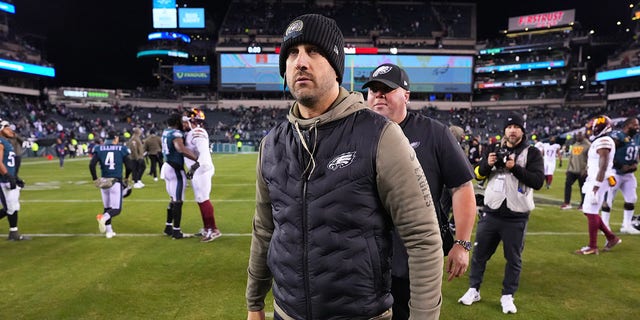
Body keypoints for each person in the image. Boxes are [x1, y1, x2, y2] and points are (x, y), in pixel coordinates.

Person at [246, 14, 443, 320]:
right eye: (292, 54)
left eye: (314, 51)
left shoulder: (381, 135)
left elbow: (423, 238)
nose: (300, 62)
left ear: (336, 65)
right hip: (285, 314)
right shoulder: (271, 145)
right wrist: (254, 302)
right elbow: (264, 231)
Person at [362, 63, 476, 320]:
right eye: (373, 90)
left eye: (387, 89)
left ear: (406, 95)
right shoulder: (357, 134)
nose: (378, 95)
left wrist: (462, 243)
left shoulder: (434, 133)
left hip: (415, 261)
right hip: (365, 261)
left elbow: (462, 186)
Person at [458, 112, 544, 314]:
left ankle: (507, 296)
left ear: (522, 130)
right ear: (504, 130)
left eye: (516, 126)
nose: (512, 130)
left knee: (513, 259)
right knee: (479, 255)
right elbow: (477, 174)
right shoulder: (494, 149)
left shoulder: (532, 153)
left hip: (516, 215)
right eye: (509, 126)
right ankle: (473, 289)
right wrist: (488, 164)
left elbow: (538, 182)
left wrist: (515, 169)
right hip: (492, 212)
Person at [575, 115, 622, 255]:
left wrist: (596, 185)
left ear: (600, 127)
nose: (590, 131)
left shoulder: (604, 140)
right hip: (596, 179)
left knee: (591, 211)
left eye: (592, 128)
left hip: (599, 180)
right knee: (588, 210)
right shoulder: (601, 140)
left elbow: (603, 165)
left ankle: (593, 246)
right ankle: (611, 237)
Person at [182, 108, 221, 242]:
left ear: (192, 120)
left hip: (201, 169)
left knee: (204, 199)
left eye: (186, 119)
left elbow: (203, 154)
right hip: (198, 169)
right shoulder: (192, 132)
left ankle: (213, 229)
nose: (183, 122)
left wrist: (193, 169)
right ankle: (207, 227)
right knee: (200, 199)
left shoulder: (197, 132)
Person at [160, 112, 200, 239]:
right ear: (177, 123)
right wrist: (197, 159)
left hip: (167, 166)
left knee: (173, 199)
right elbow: (180, 149)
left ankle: (168, 226)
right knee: (178, 201)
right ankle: (176, 231)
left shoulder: (166, 131)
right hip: (175, 169)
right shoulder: (176, 134)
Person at [600, 116, 640, 234]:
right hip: (614, 173)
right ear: (627, 125)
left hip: (628, 175)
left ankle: (626, 225)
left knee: (631, 199)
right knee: (608, 199)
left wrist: (635, 164)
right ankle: (605, 225)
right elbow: (608, 153)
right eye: (635, 125)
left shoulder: (636, 137)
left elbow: (636, 153)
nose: (637, 127)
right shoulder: (618, 136)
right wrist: (619, 166)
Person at [89, 131, 131, 239]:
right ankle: (103, 218)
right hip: (115, 181)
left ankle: (109, 231)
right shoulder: (122, 149)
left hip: (104, 181)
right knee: (116, 209)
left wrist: (95, 178)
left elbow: (92, 164)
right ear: (115, 138)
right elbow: (129, 166)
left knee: (107, 207)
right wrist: (126, 177)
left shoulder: (99, 148)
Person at [0, 121, 29, 240]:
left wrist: (15, 177)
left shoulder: (7, 142)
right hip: (3, 180)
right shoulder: (1, 142)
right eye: (7, 128)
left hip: (8, 178)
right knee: (9, 208)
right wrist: (8, 175)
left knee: (14, 206)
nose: (11, 130)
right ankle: (13, 233)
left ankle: (14, 232)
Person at [561, 132, 590, 210]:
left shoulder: (588, 145)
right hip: (572, 170)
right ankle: (567, 203)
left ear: (584, 136)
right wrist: (568, 169)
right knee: (567, 184)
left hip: (582, 170)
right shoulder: (574, 145)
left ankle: (583, 204)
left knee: (583, 188)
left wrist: (586, 169)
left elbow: (590, 159)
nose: (578, 137)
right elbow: (571, 158)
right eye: (577, 135)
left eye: (580, 135)